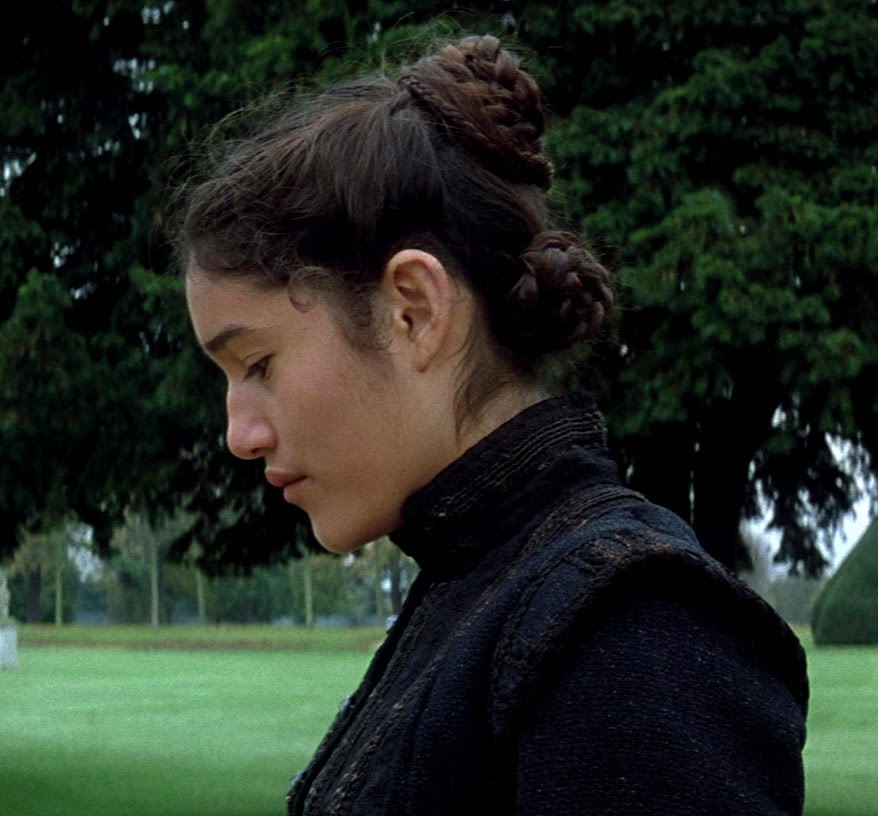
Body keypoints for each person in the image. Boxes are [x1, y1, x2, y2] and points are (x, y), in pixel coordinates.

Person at [179, 35, 808, 816]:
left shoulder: (630, 629)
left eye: (259, 363)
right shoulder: (489, 592)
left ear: (414, 310)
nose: (240, 435)